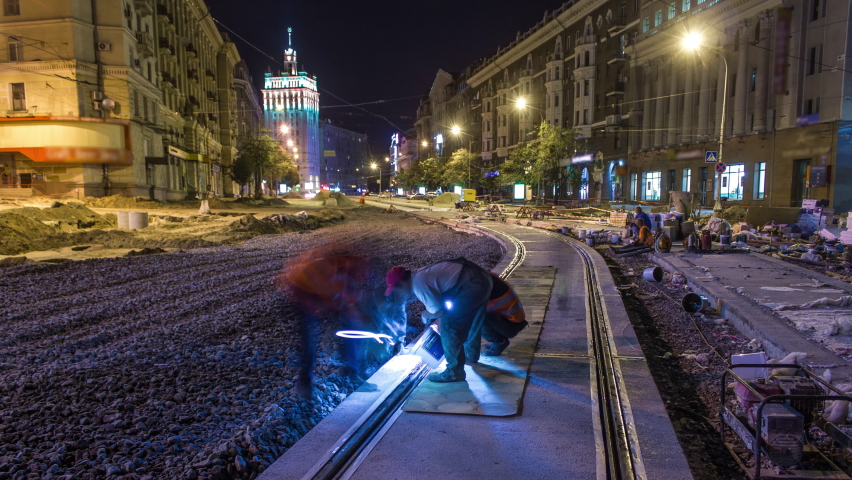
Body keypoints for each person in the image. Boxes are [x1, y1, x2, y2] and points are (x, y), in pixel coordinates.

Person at [277, 251, 402, 399]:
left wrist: (359, 314)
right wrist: (338, 308)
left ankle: (351, 370)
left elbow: (351, 299)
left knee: (352, 325)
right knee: (310, 338)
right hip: (304, 290)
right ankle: (305, 383)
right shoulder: (343, 271)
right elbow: (339, 298)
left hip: (325, 287)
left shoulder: (357, 271)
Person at [385, 258, 493, 383]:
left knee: (449, 326)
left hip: (472, 283)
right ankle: (471, 355)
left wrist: (425, 315)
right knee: (472, 319)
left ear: (402, 283)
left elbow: (439, 311)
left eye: (396, 289)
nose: (399, 293)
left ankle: (454, 372)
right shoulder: (419, 275)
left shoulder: (419, 284)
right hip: (482, 278)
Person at [482, 274, 527, 356]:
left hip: (512, 325)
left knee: (477, 317)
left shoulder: (480, 284)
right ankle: (496, 340)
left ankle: (500, 341)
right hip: (511, 321)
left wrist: (470, 354)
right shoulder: (485, 277)